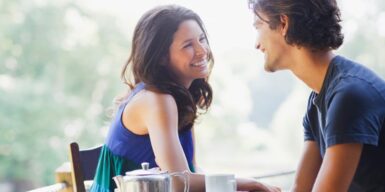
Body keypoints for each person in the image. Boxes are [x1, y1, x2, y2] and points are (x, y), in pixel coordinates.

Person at [90, 4, 280, 192]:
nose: (202, 50)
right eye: (188, 45)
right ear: (161, 57)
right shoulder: (157, 100)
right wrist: (250, 183)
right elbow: (179, 181)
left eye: (202, 39)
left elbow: (191, 171)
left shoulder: (178, 98)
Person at [248, 0, 385, 191]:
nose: (256, 44)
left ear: (284, 24)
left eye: (258, 26)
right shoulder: (317, 100)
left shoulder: (349, 95)